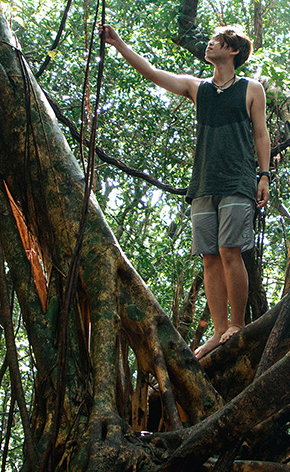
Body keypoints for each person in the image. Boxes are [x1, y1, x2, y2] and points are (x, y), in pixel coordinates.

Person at [102, 24, 271, 357]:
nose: (209, 44)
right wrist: (117, 42)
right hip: (204, 183)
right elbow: (152, 72)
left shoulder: (252, 89)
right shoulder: (198, 88)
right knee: (209, 257)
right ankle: (219, 329)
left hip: (237, 180)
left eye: (216, 41)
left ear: (232, 50)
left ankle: (237, 324)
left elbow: (261, 135)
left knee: (229, 250)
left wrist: (263, 176)